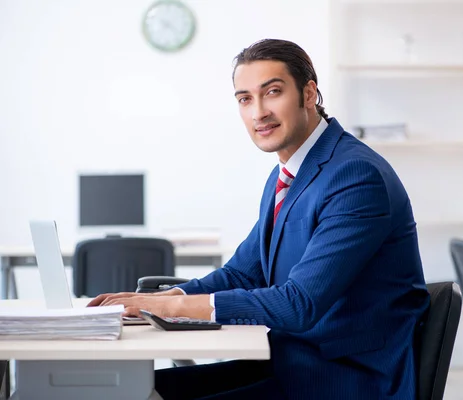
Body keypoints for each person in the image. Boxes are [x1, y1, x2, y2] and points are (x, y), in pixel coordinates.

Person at [88, 38, 430, 400]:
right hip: (293, 363)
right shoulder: (287, 174)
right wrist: (165, 298)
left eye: (273, 92)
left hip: (346, 380)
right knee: (134, 390)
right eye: (245, 99)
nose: (258, 112)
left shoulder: (355, 175)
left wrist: (168, 307)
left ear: (309, 94)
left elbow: (298, 305)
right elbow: (242, 272)